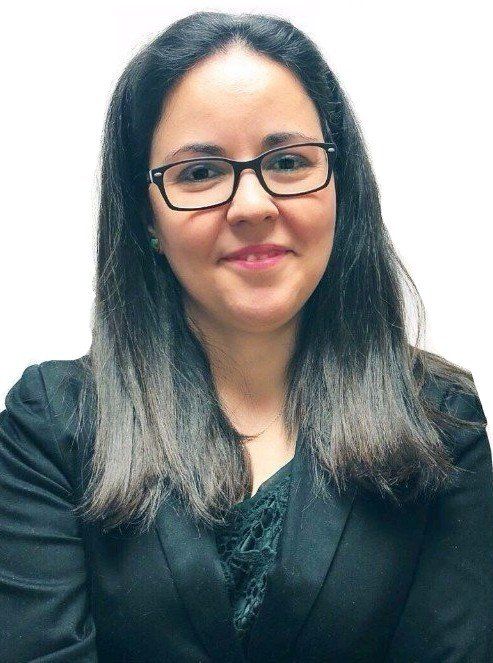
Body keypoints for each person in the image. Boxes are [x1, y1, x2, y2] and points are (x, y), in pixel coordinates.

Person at [1, 10, 492, 663]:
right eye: (199, 173)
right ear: (146, 217)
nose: (253, 205)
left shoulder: (440, 421)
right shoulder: (51, 425)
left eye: (288, 161)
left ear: (340, 187)